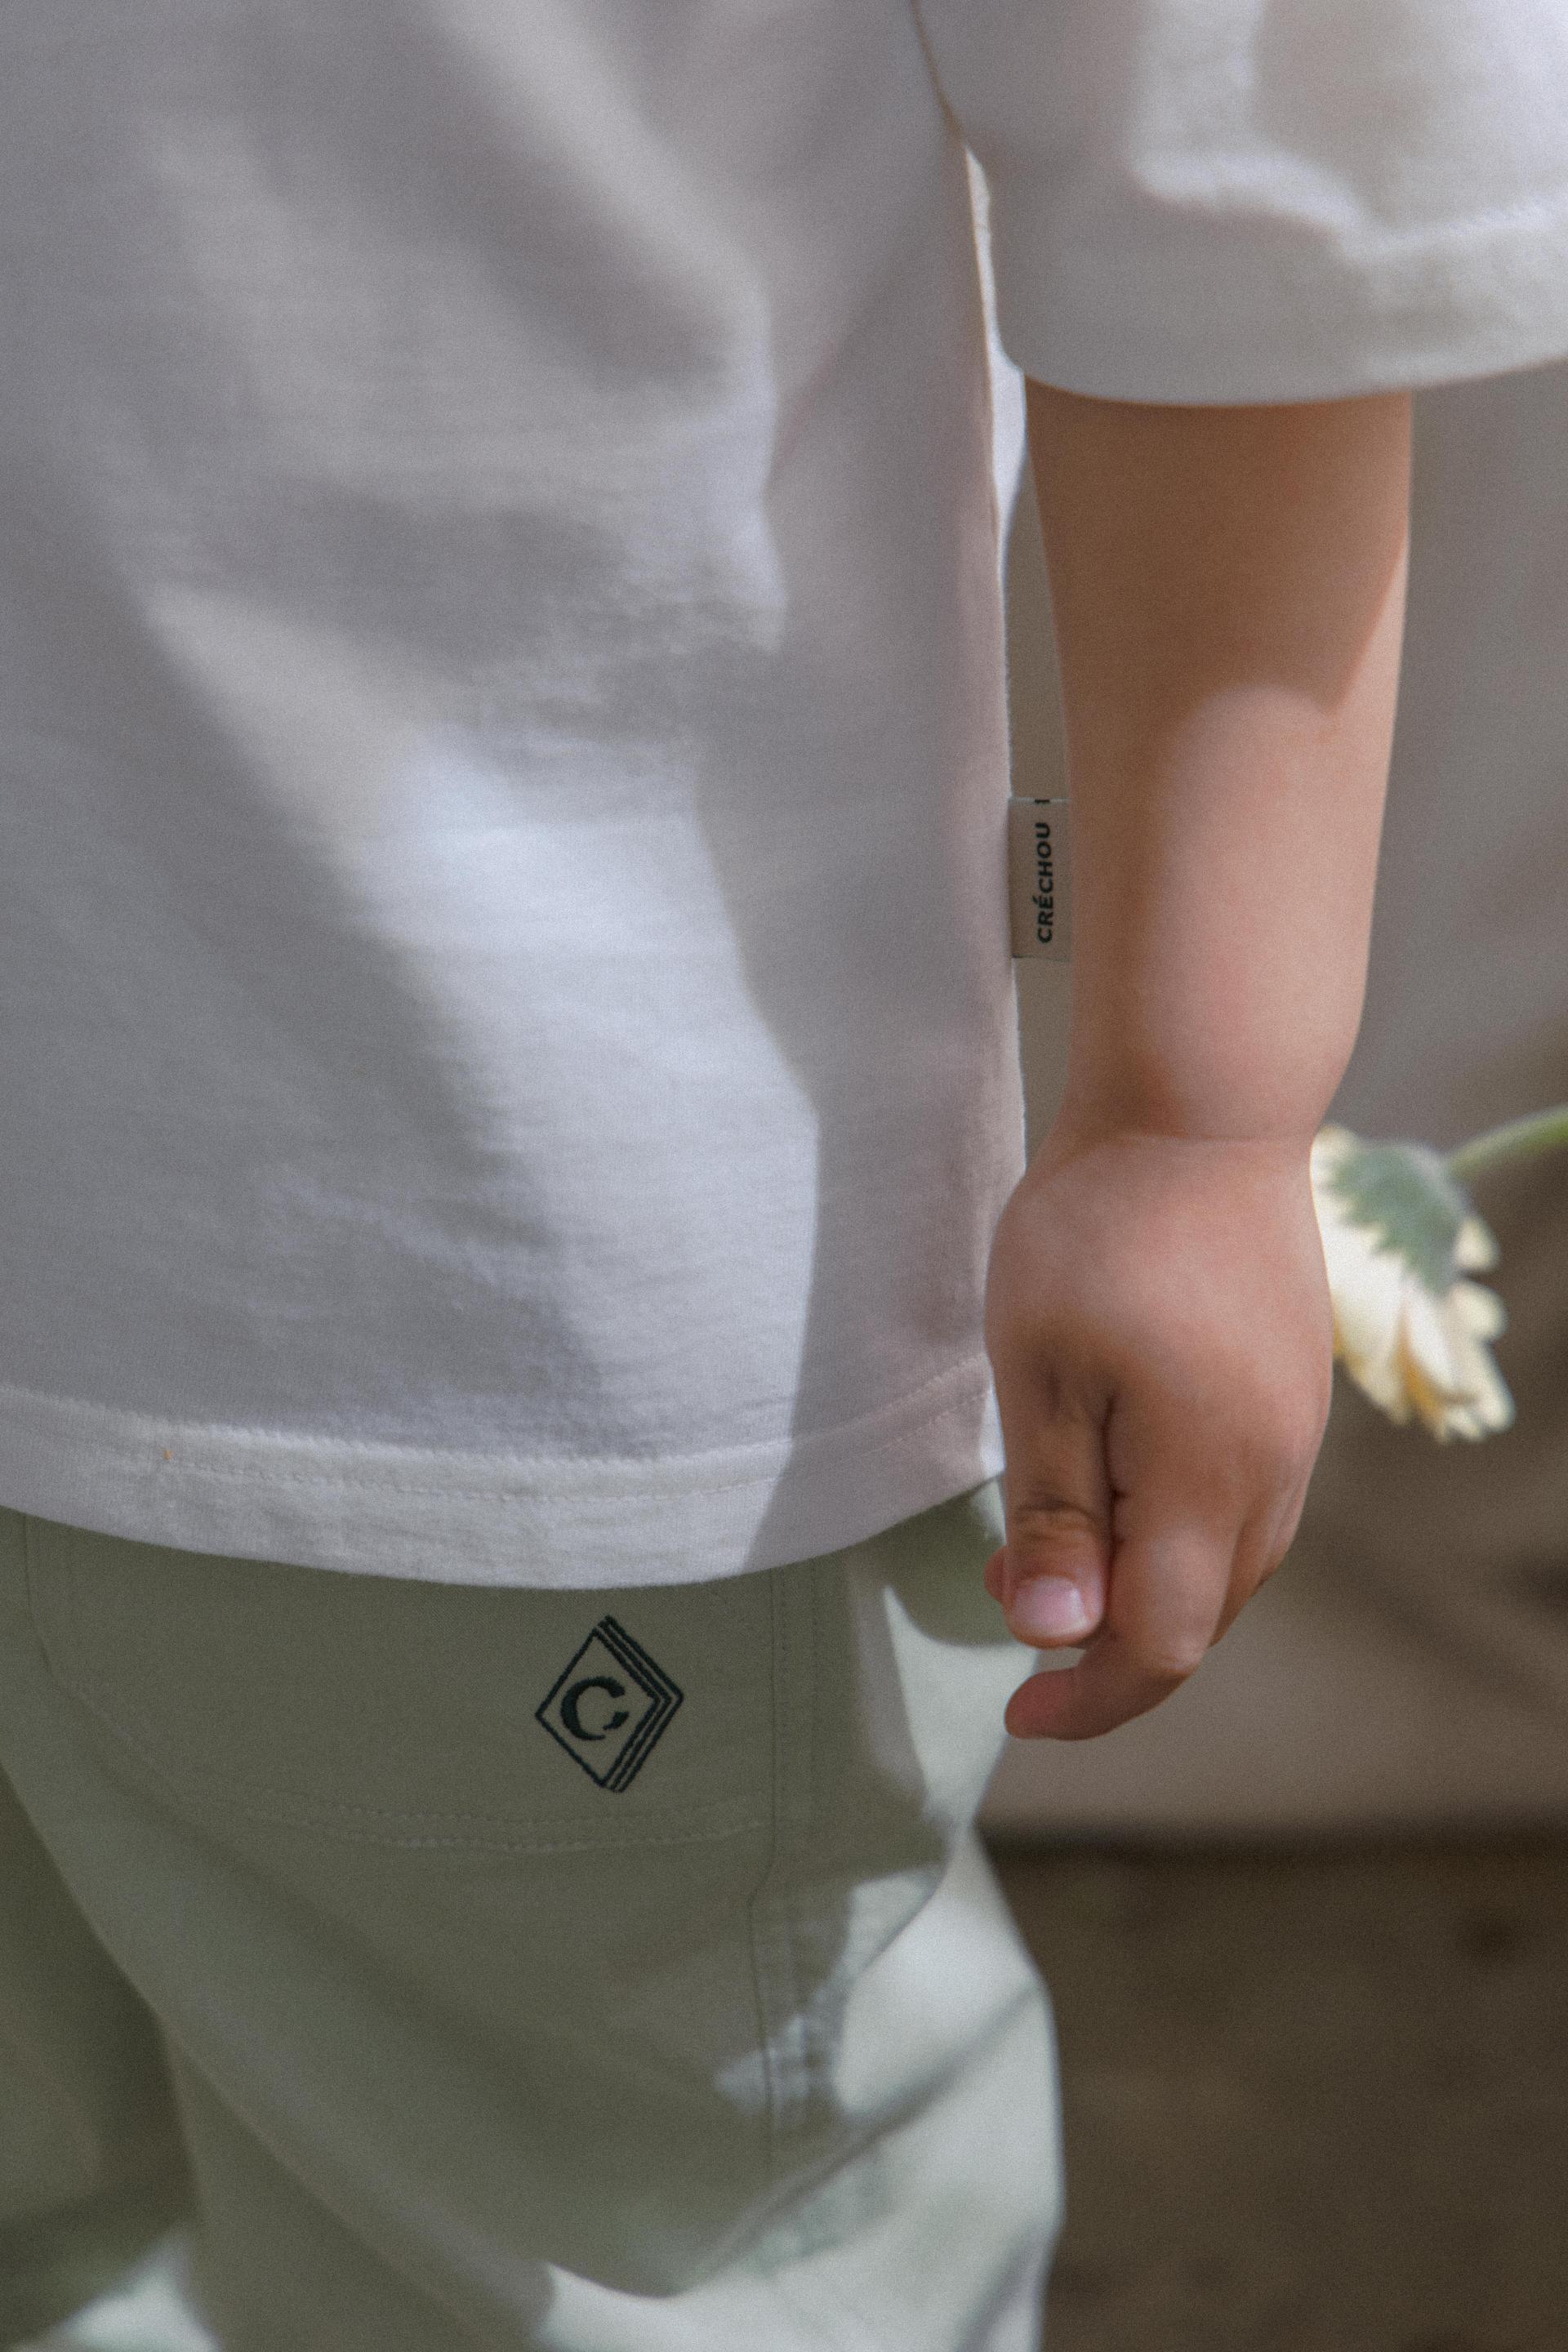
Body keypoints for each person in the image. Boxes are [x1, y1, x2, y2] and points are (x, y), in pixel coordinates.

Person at [2, 4, 1565, 2346]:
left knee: (627, 2269)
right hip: (383, 1230)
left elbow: (1258, 189)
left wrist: (1193, 1110)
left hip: (479, 1304)